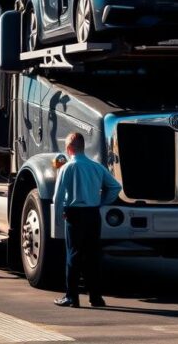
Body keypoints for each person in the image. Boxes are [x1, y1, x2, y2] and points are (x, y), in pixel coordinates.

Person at [53, 132, 121, 308]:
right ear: (83, 147)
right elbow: (115, 186)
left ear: (69, 149)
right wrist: (101, 202)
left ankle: (72, 296)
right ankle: (96, 297)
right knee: (92, 255)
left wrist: (59, 217)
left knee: (73, 254)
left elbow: (58, 196)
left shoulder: (66, 168)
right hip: (93, 214)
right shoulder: (96, 167)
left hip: (74, 214)